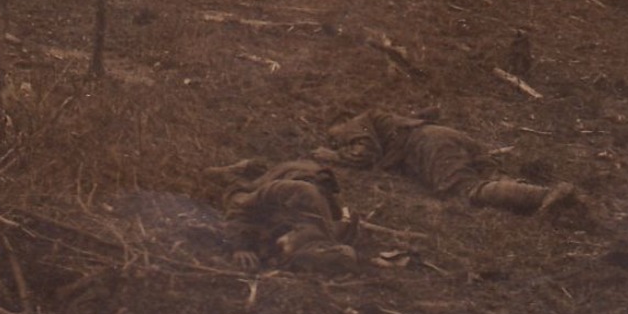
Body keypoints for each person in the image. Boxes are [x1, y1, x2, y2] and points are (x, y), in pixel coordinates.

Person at [323, 109, 576, 215]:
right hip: (445, 135)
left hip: (430, 145)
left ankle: (546, 195)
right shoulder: (385, 120)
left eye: (336, 138)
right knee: (488, 182)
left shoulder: (352, 124)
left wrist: (329, 154)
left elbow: (363, 154)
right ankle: (543, 202)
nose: (340, 143)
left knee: (466, 190)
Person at [202, 158, 360, 273]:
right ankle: (239, 170)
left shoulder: (327, 235)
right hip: (291, 173)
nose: (279, 247)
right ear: (298, 231)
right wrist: (241, 246)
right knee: (237, 197)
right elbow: (241, 210)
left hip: (300, 181)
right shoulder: (299, 193)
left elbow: (345, 254)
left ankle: (256, 169)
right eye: (284, 247)